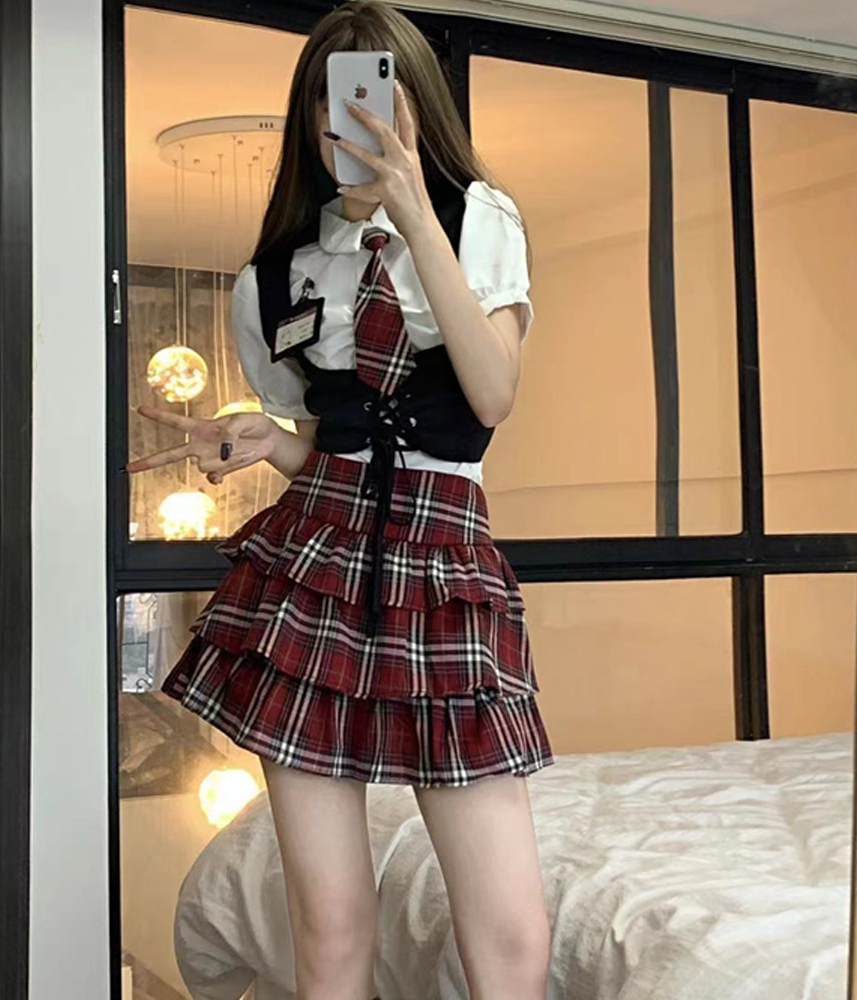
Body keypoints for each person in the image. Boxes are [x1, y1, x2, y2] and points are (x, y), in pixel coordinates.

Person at [128, 2, 554, 997]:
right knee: (328, 927)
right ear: (310, 118)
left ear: (415, 108)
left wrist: (411, 210)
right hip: (312, 573)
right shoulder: (274, 276)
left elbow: (492, 394)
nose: (352, 124)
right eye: (334, 104)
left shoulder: (477, 219)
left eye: (376, 98)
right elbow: (330, 441)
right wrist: (269, 441)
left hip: (442, 577)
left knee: (511, 938)